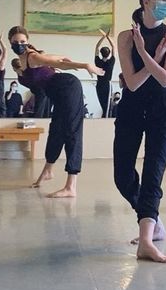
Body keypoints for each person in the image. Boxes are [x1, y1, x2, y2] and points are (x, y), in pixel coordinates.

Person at [115, 0, 166, 263]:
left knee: (152, 174)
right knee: (122, 177)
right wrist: (152, 57)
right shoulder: (125, 37)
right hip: (131, 110)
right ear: (145, 1)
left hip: (163, 112)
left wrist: (146, 54)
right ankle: (152, 220)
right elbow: (132, 83)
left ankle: (146, 239)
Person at [8, 25, 104, 198]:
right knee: (56, 130)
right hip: (57, 95)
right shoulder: (22, 64)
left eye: (22, 41)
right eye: (16, 42)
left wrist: (85, 65)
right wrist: (59, 57)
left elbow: (58, 64)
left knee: (72, 131)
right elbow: (54, 59)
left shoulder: (32, 56)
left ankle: (71, 186)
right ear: (10, 43)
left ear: (27, 41)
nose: (19, 44)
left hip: (67, 87)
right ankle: (48, 170)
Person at [94, 28, 116, 116]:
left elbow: (97, 47)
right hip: (107, 84)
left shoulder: (98, 61)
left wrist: (103, 37)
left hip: (99, 84)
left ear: (101, 53)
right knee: (107, 106)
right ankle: (105, 119)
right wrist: (107, 37)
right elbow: (113, 46)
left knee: (103, 105)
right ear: (109, 53)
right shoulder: (111, 62)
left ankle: (104, 118)